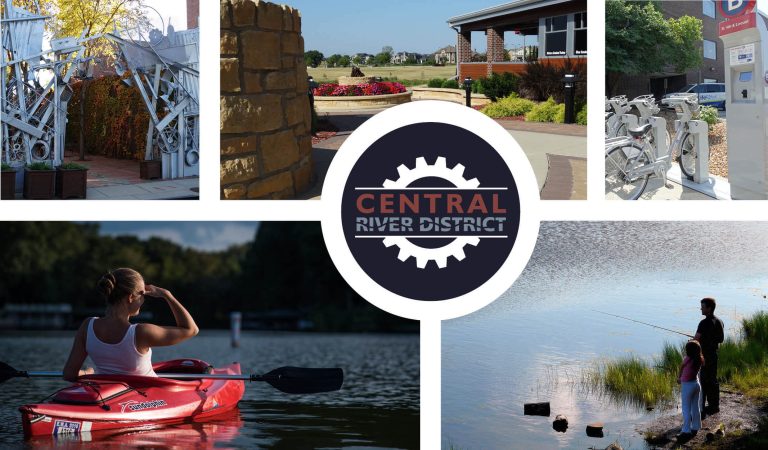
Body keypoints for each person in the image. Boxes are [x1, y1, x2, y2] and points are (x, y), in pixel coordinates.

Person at [63, 268, 199, 381]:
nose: (144, 299)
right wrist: (167, 295)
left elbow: (69, 374)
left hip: (109, 394)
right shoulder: (141, 332)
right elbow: (191, 329)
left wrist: (88, 373)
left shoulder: (87, 326)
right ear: (131, 297)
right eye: (142, 294)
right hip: (146, 397)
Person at [694, 297, 724, 417]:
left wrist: (692, 341)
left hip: (704, 356)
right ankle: (714, 406)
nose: (701, 309)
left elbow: (696, 339)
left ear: (709, 308)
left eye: (703, 307)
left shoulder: (703, 323)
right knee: (713, 380)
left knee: (703, 381)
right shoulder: (719, 321)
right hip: (714, 355)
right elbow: (721, 339)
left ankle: (702, 407)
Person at [678, 340, 704, 438]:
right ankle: (696, 427)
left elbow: (681, 367)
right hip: (696, 385)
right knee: (695, 407)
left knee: (686, 408)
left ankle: (686, 431)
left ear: (688, 351)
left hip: (687, 386)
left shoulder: (687, 359)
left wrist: (679, 378)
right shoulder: (699, 359)